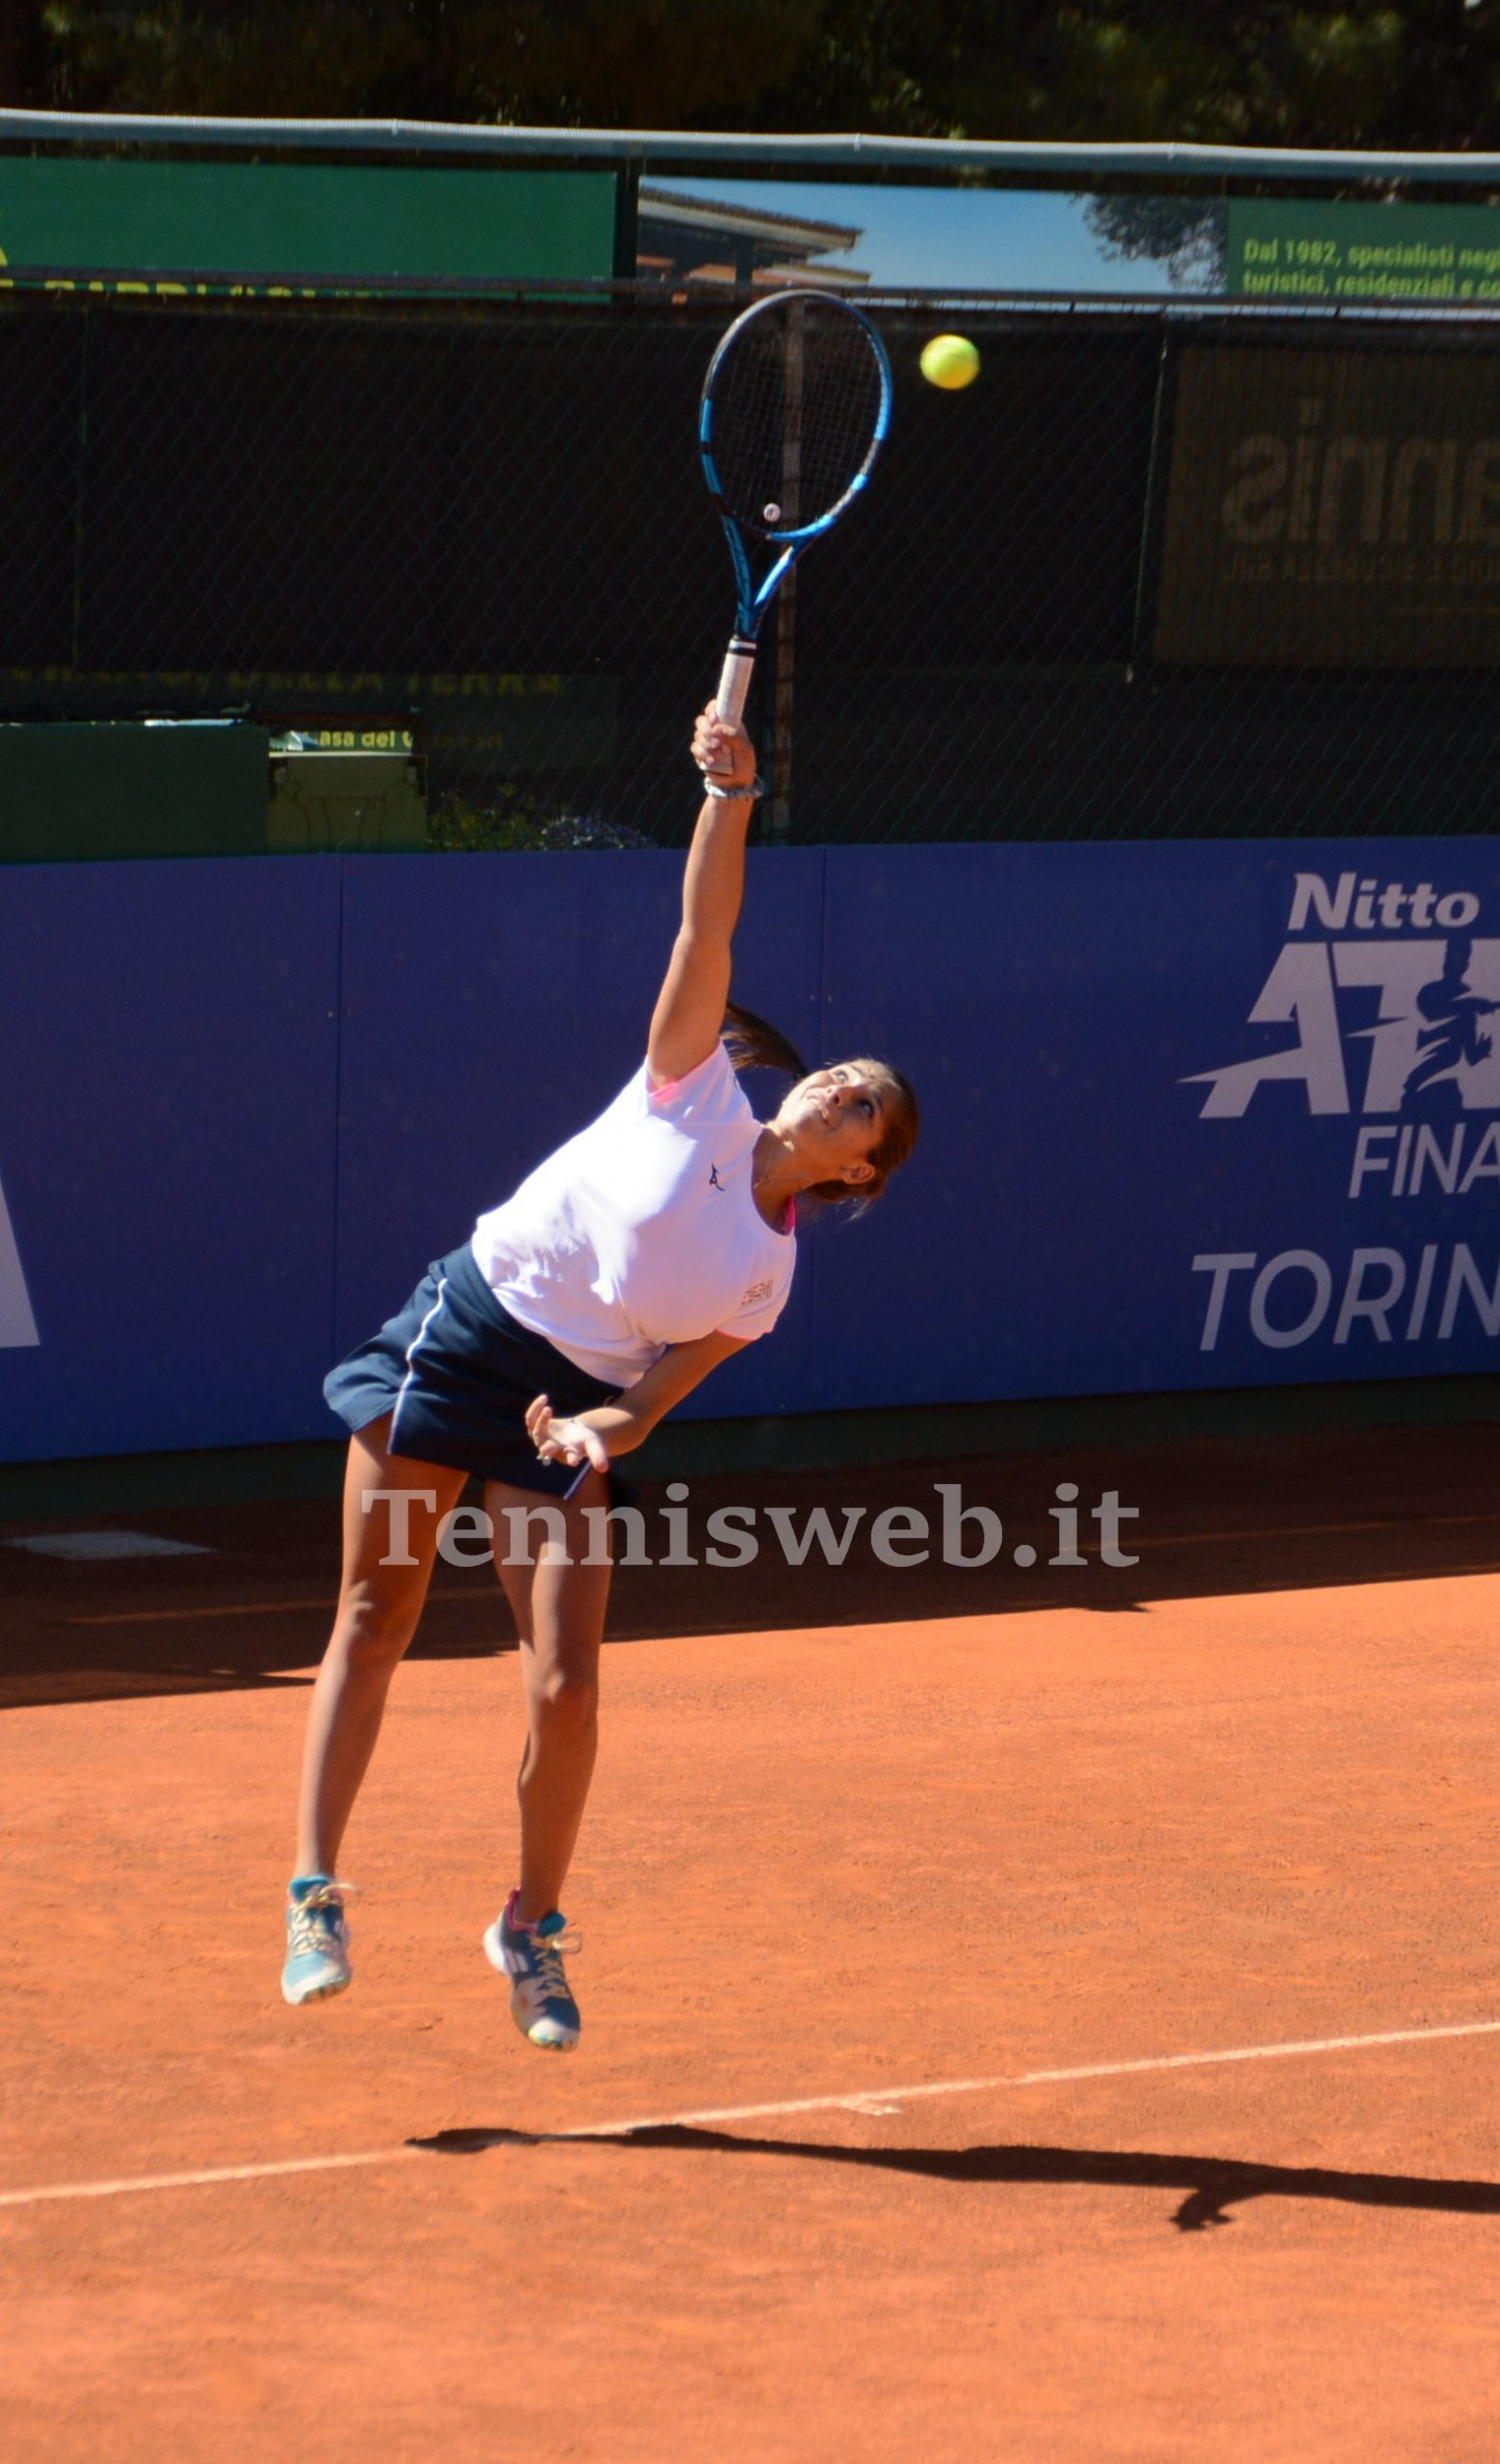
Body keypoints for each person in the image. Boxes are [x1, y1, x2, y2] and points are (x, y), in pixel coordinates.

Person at [282, 703, 919, 2048]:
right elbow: (706, 927)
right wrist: (730, 796)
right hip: (462, 1340)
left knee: (567, 1681)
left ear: (858, 1166)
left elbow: (648, 1404)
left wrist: (593, 1430)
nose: (839, 1087)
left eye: (864, 1104)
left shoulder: (764, 1280)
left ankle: (532, 1929)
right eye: (844, 1073)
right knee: (376, 1617)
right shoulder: (690, 1086)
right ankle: (315, 1894)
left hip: (557, 1424)